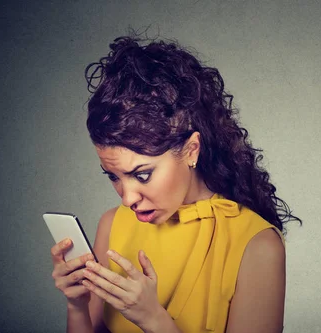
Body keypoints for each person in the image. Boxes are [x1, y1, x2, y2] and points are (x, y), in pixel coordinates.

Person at [49, 35, 300, 333]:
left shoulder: (256, 245)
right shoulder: (112, 224)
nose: (127, 198)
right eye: (114, 177)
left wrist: (153, 319)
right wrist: (76, 304)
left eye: (142, 175)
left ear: (192, 149)